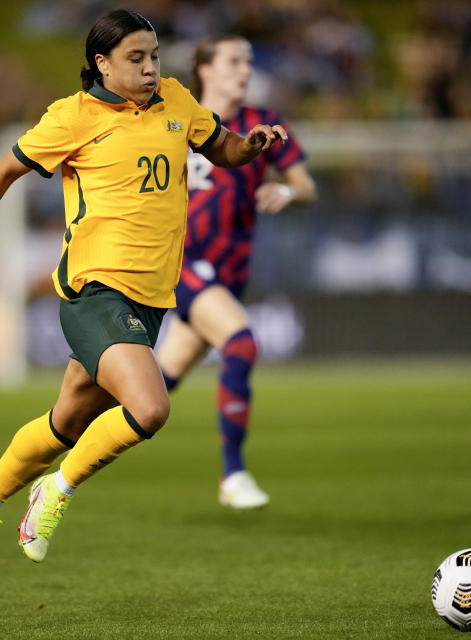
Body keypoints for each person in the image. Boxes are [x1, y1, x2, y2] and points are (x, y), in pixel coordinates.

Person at [0, 9, 288, 573]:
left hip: (152, 300)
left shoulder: (177, 102)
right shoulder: (72, 118)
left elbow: (222, 148)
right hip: (94, 292)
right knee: (150, 408)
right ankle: (54, 492)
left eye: (154, 56)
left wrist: (250, 147)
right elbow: (0, 171)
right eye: (136, 58)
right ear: (102, 63)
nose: (151, 68)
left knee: (66, 424)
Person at [155, 34, 317, 510]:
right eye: (232, 61)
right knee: (242, 342)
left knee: (149, 400)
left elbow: (305, 185)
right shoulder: (175, 119)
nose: (244, 70)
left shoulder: (263, 125)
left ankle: (63, 449)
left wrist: (288, 193)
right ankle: (233, 475)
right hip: (181, 265)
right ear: (205, 69)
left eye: (247, 61)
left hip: (228, 276)